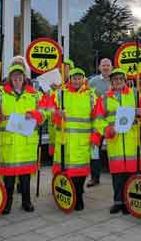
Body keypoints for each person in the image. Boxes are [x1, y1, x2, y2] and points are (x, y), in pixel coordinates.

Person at [0, 65, 46, 214]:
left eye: (20, 77)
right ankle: (7, 203)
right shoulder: (0, 93)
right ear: (10, 78)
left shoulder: (35, 94)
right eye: (14, 77)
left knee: (25, 175)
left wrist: (35, 114)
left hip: (27, 141)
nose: (17, 80)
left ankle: (27, 201)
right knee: (9, 176)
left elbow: (45, 113)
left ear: (25, 78)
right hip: (9, 141)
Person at [43, 67, 100, 211]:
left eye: (79, 78)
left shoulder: (91, 95)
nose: (77, 81)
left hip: (82, 142)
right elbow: (48, 111)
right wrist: (57, 114)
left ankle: (79, 195)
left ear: (83, 79)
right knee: (64, 171)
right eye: (74, 78)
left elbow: (97, 118)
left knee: (80, 172)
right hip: (64, 141)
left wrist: (95, 136)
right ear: (70, 79)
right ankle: (65, 195)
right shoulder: (60, 93)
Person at [96, 68, 141, 214]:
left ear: (125, 81)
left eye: (120, 79)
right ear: (111, 82)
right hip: (115, 141)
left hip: (132, 141)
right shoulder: (104, 98)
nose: (117, 82)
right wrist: (107, 130)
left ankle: (129, 203)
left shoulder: (135, 94)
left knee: (131, 174)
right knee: (117, 175)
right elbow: (98, 119)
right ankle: (118, 202)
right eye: (114, 80)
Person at [87, 58, 113, 187]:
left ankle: (115, 176)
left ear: (112, 67)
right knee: (94, 149)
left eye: (108, 65)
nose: (106, 67)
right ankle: (94, 177)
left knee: (114, 149)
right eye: (104, 65)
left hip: (111, 122)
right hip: (97, 122)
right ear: (99, 67)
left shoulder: (117, 80)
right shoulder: (92, 82)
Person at [47, 58, 75, 157]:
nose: (63, 71)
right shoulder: (52, 88)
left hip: (69, 130)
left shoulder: (75, 86)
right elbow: (49, 110)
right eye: (61, 69)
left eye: (66, 68)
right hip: (54, 130)